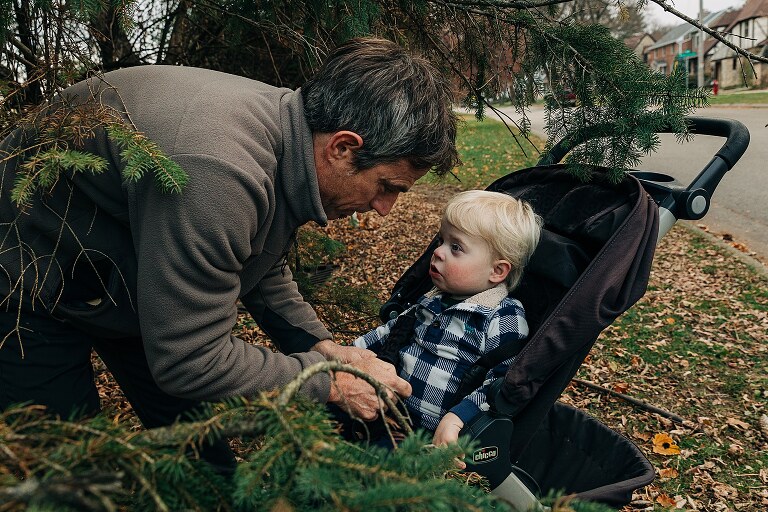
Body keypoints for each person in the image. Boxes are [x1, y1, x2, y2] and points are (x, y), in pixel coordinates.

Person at [0, 38, 459, 462]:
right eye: (387, 186)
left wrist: (322, 346)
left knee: (204, 461)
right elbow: (189, 361)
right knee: (71, 463)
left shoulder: (288, 135)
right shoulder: (220, 171)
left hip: (130, 276)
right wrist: (329, 383)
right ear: (342, 147)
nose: (384, 208)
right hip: (30, 277)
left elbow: (258, 260)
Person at [353, 190, 542, 453]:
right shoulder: (434, 298)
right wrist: (349, 355)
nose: (438, 252)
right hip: (386, 408)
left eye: (456, 247)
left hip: (428, 436)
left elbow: (504, 381)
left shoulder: (501, 317)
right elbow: (391, 332)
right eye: (441, 240)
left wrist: (457, 418)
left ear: (497, 271)